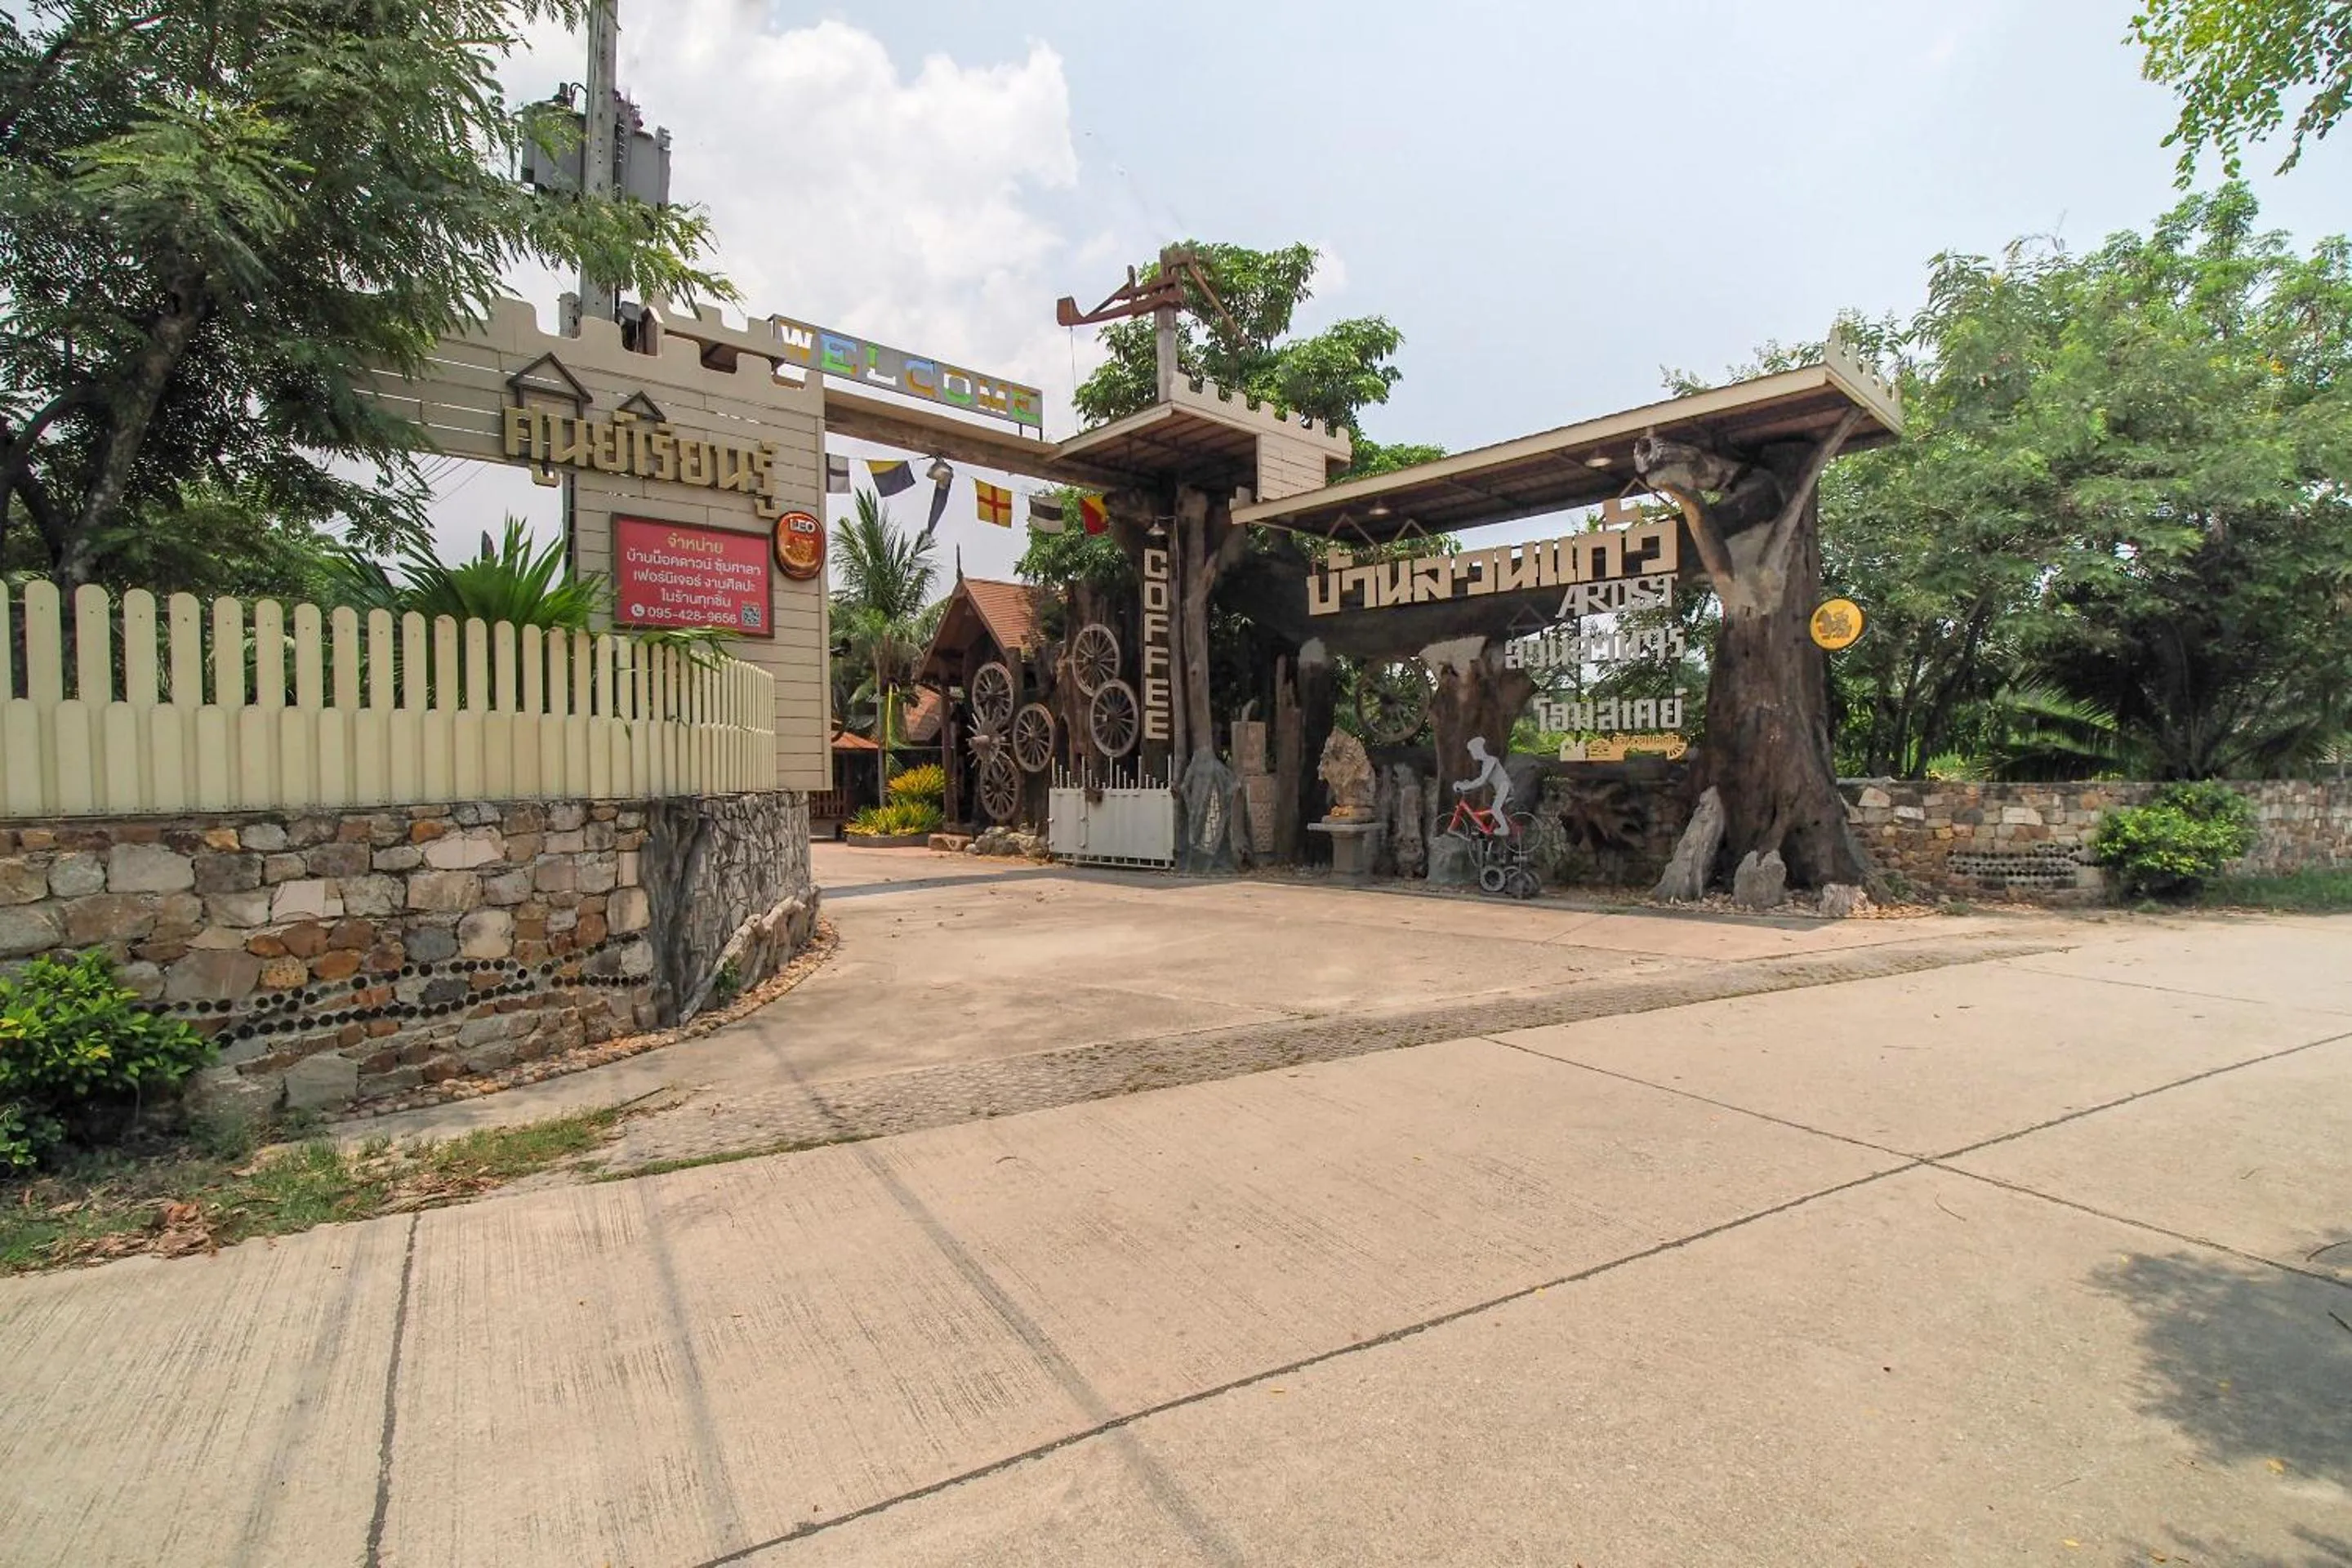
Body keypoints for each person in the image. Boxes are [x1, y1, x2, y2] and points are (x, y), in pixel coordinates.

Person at [1452, 736, 1512, 831]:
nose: (1472, 754)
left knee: (1495, 809)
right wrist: (1467, 784)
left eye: (1472, 751)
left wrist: (1464, 786)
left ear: (1478, 750)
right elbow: (1482, 781)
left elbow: (1481, 780)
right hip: (1499, 789)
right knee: (1486, 809)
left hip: (1504, 786)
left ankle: (1505, 829)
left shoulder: (1491, 760)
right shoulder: (1485, 764)